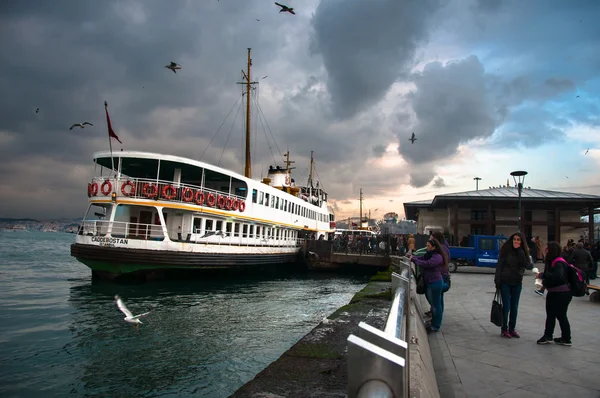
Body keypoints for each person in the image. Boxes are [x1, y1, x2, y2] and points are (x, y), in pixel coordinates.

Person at [494, 232, 533, 338]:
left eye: (518, 240)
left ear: (521, 242)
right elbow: (499, 266)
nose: (516, 241)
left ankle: (512, 328)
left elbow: (528, 265)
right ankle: (504, 329)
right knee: (506, 306)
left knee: (514, 307)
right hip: (505, 281)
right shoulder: (506, 251)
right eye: (514, 239)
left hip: (517, 281)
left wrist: (520, 251)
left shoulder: (522, 252)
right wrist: (497, 281)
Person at [536, 241, 572, 346]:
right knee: (555, 315)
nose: (545, 250)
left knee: (558, 315)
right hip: (560, 292)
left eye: (547, 249)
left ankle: (554, 336)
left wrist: (544, 275)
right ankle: (560, 337)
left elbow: (558, 276)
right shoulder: (558, 261)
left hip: (559, 293)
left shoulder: (558, 262)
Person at [409, 237, 447, 334]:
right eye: (427, 245)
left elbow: (429, 264)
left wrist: (415, 260)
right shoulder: (430, 254)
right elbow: (422, 258)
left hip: (435, 282)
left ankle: (435, 326)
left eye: (428, 246)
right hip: (430, 282)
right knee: (433, 304)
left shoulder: (437, 256)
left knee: (436, 305)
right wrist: (413, 257)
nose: (427, 247)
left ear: (434, 247)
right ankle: (434, 322)